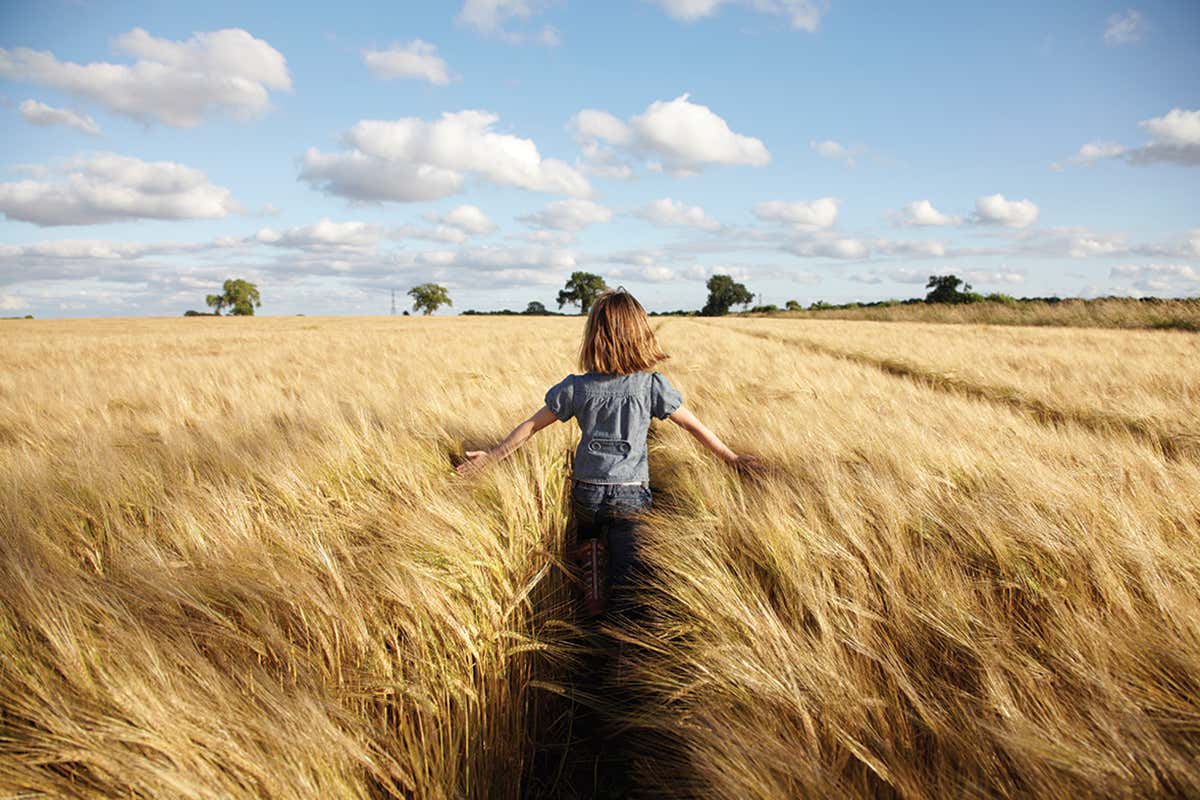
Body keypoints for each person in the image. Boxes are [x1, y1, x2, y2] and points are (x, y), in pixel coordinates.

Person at [455, 288, 758, 617]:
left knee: (591, 537)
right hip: (630, 493)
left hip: (586, 490)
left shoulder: (576, 387)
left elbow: (529, 426)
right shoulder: (652, 386)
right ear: (640, 337)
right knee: (629, 568)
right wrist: (732, 459)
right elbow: (693, 426)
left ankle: (593, 568)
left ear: (594, 337)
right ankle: (621, 613)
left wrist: (490, 458)